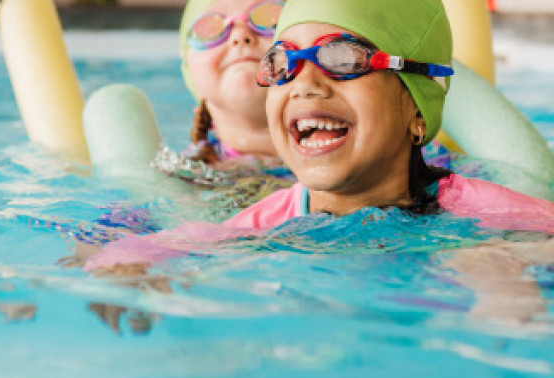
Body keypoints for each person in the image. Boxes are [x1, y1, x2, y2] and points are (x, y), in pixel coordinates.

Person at [88, 0, 554, 274]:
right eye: (284, 63)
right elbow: (159, 246)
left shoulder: (476, 207)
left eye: (344, 58)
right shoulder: (262, 216)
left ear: (418, 109)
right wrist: (121, 267)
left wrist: (506, 258)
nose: (306, 82)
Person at [179, 0, 284, 166]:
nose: (240, 35)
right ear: (189, 72)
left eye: (268, 17)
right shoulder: (186, 174)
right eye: (210, 27)